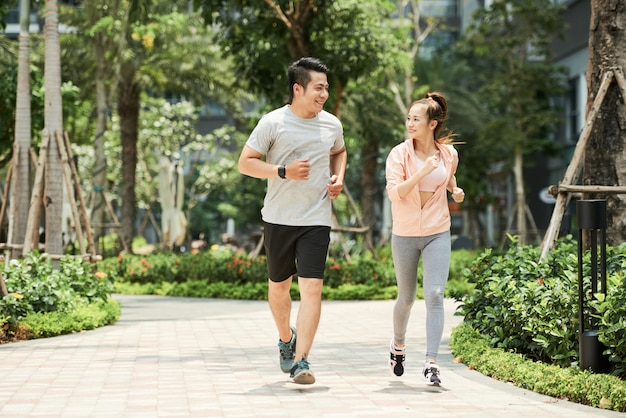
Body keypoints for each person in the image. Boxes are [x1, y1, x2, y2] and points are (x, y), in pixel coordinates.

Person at [238, 57, 347, 385]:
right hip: (278, 219)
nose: (324, 94)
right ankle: (286, 338)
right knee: (279, 287)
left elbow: (340, 151)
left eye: (326, 88)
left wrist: (338, 178)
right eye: (318, 88)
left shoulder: (332, 124)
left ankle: (302, 361)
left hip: (316, 218)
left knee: (312, 288)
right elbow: (245, 163)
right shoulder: (273, 123)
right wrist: (282, 171)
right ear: (298, 89)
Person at [384, 92, 465, 386]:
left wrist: (454, 191)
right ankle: (398, 345)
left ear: (432, 124)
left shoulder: (449, 154)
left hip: (437, 231)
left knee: (434, 294)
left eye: (415, 119)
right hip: (405, 233)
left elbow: (448, 177)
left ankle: (432, 362)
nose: (409, 123)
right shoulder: (399, 154)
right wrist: (422, 172)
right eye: (408, 118)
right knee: (406, 298)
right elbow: (396, 193)